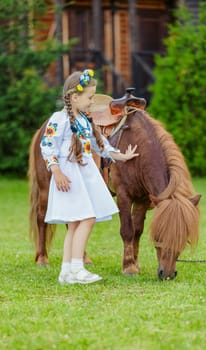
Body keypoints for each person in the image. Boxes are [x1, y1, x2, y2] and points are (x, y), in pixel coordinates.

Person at [40, 69, 139, 285]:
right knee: (87, 217)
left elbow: (100, 145)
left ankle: (66, 271)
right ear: (75, 97)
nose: (92, 102)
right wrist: (56, 171)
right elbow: (47, 146)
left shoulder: (84, 121)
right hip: (69, 175)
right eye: (90, 97)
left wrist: (121, 155)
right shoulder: (60, 119)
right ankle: (77, 267)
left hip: (84, 174)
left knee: (76, 222)